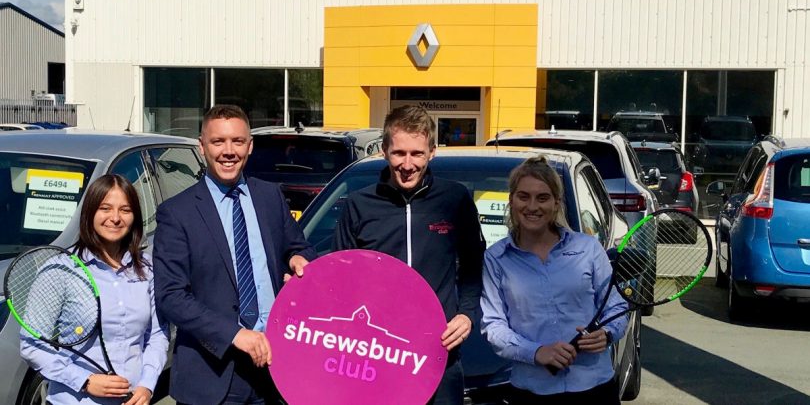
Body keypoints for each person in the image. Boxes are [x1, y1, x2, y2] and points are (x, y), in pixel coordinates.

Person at [153, 105, 316, 405]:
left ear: (250, 146)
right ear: (202, 147)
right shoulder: (177, 213)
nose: (229, 151)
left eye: (237, 141)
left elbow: (298, 246)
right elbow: (170, 296)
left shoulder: (270, 196)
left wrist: (297, 259)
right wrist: (234, 334)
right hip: (213, 375)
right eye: (218, 142)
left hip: (276, 368)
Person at [333, 105, 485, 405]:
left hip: (439, 353)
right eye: (398, 153)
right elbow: (341, 277)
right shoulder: (359, 205)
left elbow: (474, 265)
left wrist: (467, 314)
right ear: (384, 150)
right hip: (377, 356)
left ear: (432, 152)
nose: (407, 164)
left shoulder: (454, 200)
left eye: (416, 154)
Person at [480, 157, 628, 405]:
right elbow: (494, 327)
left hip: (594, 387)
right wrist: (537, 352)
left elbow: (616, 307)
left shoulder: (588, 249)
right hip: (531, 391)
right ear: (512, 201)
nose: (532, 206)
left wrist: (607, 333)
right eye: (523, 196)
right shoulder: (496, 259)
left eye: (542, 197)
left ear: (556, 203)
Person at [20, 174, 169, 405]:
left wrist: (147, 385)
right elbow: (32, 344)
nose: (115, 218)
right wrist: (85, 380)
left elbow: (157, 334)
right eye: (105, 208)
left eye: (125, 210)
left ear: (135, 217)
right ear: (90, 213)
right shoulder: (61, 269)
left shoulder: (147, 270)